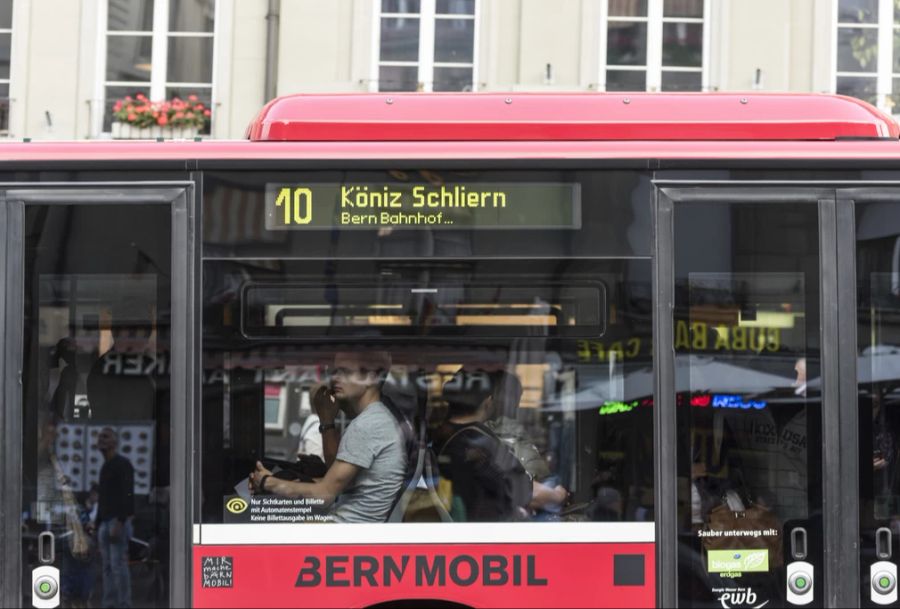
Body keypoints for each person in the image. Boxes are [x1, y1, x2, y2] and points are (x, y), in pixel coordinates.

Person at [249, 351, 408, 523]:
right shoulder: (378, 416)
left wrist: (267, 482)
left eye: (345, 372)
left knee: (255, 520)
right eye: (333, 371)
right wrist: (327, 420)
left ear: (370, 377)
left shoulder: (368, 424)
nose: (335, 378)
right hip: (350, 525)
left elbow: (325, 494)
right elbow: (337, 477)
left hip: (346, 530)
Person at [432, 369, 532, 522]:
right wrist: (557, 495)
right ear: (488, 402)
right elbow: (521, 492)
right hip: (486, 530)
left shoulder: (439, 435)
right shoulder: (482, 443)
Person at [485, 370, 569, 517]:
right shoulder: (491, 435)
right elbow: (523, 492)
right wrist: (557, 496)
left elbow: (537, 474)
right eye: (512, 398)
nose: (515, 405)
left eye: (517, 398)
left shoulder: (508, 430)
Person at [95, 428, 134, 609]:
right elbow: (104, 498)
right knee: (107, 567)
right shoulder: (105, 466)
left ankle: (123, 604)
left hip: (116, 522)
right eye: (100, 437)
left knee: (117, 566)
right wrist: (97, 524)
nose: (100, 440)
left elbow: (127, 495)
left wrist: (120, 521)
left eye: (105, 437)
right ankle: (109, 604)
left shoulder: (122, 464)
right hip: (105, 522)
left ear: (114, 442)